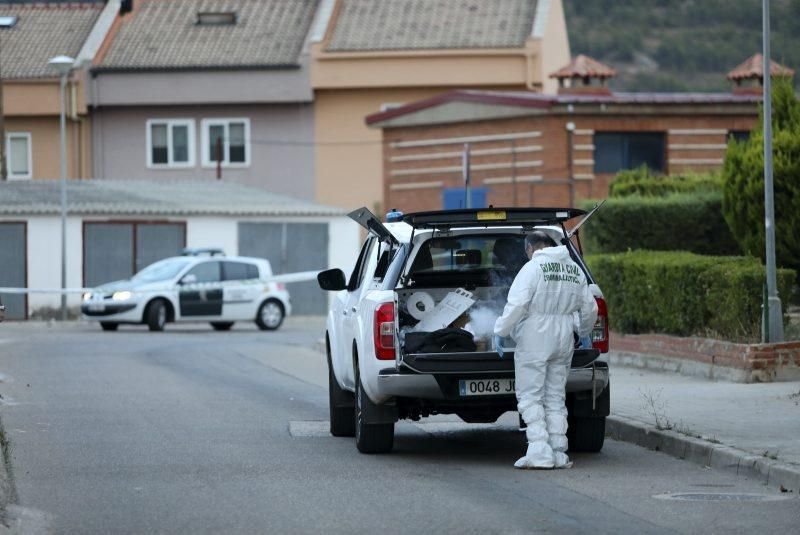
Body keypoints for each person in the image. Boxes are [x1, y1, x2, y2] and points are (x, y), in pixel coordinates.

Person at [494, 231, 598, 469]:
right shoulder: (574, 269)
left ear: (531, 248)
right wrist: (582, 332)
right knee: (555, 396)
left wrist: (500, 331)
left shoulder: (533, 268)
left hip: (535, 334)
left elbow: (517, 305)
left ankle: (539, 453)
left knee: (531, 395)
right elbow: (590, 308)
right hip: (563, 335)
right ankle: (559, 453)